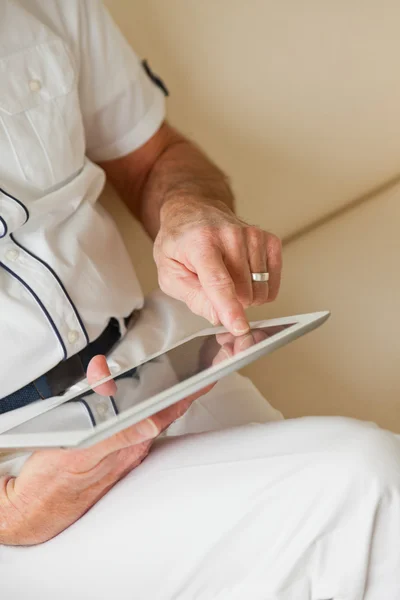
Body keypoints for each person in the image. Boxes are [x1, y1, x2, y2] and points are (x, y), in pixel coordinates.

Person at [0, 1, 399, 598]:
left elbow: (158, 157)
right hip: (16, 473)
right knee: (367, 485)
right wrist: (11, 513)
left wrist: (192, 211)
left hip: (160, 372)